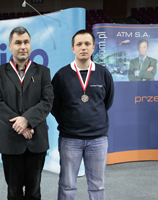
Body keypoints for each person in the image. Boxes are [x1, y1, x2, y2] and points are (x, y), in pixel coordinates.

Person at [0, 26, 53, 200]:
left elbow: (47, 102)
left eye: (26, 42)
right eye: (18, 42)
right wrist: (20, 126)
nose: (22, 46)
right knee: (14, 192)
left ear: (30, 45)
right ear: (10, 46)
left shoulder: (43, 72)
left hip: (36, 141)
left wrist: (26, 120)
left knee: (34, 192)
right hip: (10, 142)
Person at [51, 29, 114, 200]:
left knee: (97, 186)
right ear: (73, 48)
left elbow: (107, 102)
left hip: (98, 139)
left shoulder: (103, 73)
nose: (83, 47)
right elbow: (54, 106)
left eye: (87, 44)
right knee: (67, 185)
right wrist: (67, 122)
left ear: (93, 47)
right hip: (70, 139)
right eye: (79, 44)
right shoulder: (61, 75)